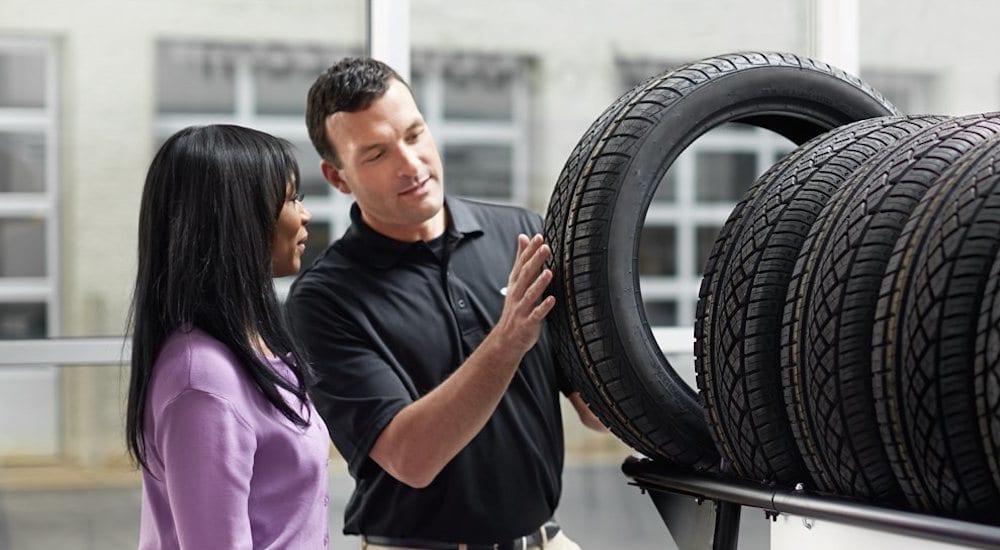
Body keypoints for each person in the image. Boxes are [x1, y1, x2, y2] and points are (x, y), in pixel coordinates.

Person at [287, 57, 605, 550]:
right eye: (376, 154)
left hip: (544, 539)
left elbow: (595, 409)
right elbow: (412, 460)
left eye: (414, 135)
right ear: (338, 177)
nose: (411, 165)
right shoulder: (324, 299)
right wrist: (508, 341)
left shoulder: (521, 234)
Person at [125, 124, 331, 549]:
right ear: (239, 219)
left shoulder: (253, 346)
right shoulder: (201, 377)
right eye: (292, 198)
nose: (305, 214)